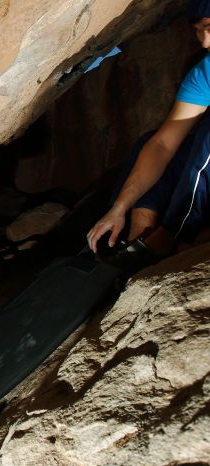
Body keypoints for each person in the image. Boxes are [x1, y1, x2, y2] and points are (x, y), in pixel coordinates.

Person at [87, 0, 210, 267]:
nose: (205, 43)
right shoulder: (206, 73)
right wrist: (119, 207)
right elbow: (163, 145)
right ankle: (137, 242)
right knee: (156, 147)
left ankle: (171, 235)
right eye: (200, 30)